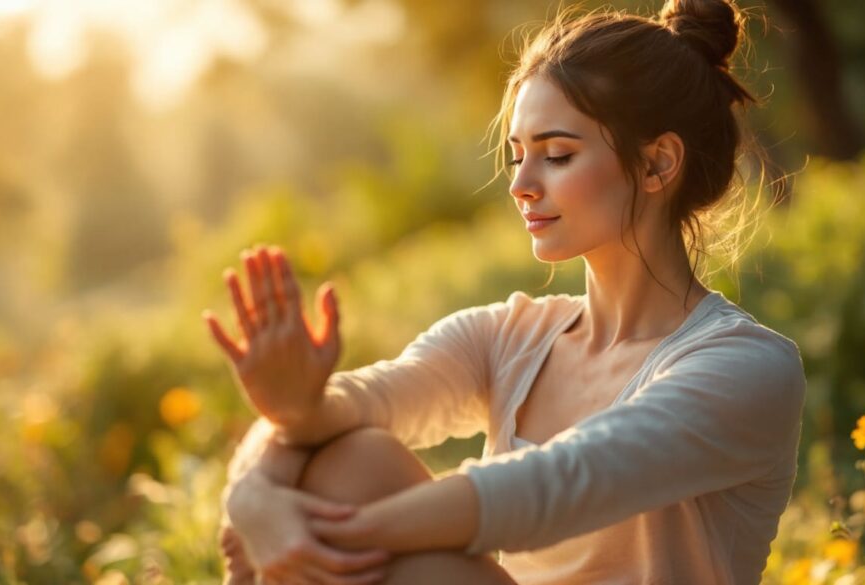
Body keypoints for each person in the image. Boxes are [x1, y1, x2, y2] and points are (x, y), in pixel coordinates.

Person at [202, 0, 807, 583]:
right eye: (518, 156)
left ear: (656, 165)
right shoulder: (502, 338)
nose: (520, 184)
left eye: (557, 155)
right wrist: (260, 485)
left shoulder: (746, 367)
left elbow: (556, 486)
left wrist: (307, 543)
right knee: (349, 458)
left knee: (338, 490)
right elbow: (348, 407)